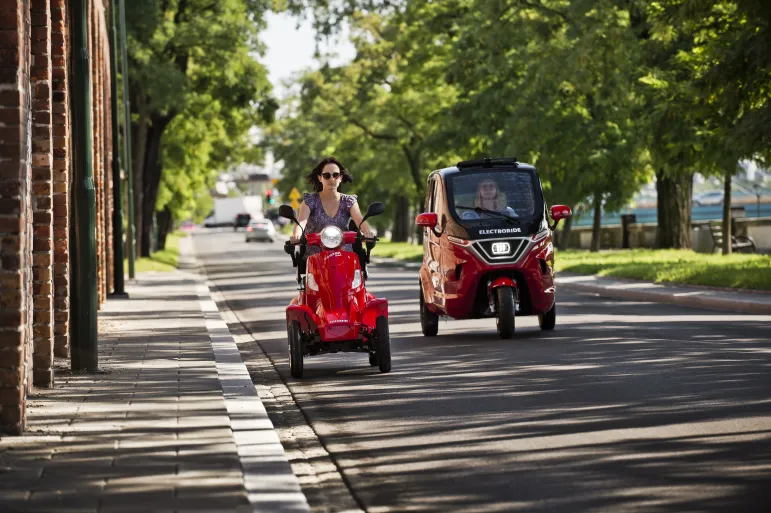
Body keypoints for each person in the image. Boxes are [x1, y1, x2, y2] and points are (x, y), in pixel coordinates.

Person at [290, 157, 374, 256]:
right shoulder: (310, 201)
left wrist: (368, 233)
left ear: (341, 178)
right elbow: (301, 222)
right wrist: (297, 235)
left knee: (356, 267)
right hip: (315, 256)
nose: (332, 179)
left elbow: (360, 221)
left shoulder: (349, 201)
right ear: (319, 178)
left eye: (336, 175)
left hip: (344, 256)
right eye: (326, 175)